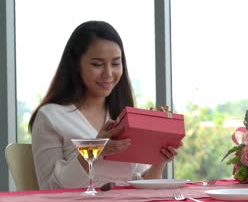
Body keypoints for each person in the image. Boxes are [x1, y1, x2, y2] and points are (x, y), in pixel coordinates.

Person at [28, 20, 181, 189]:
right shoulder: (51, 117)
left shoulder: (122, 116)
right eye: (97, 64)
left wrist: (159, 158)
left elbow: (140, 185)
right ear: (76, 64)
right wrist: (97, 150)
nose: (108, 74)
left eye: (116, 63)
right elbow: (50, 190)